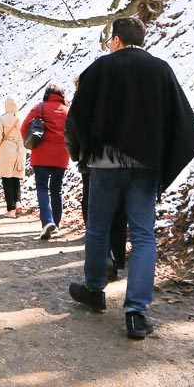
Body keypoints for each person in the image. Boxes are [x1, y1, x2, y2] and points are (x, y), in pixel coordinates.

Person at [67, 17, 194, 339]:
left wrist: (79, 154)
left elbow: (76, 118)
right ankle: (136, 313)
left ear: (115, 40)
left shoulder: (100, 68)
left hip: (104, 165)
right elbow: (183, 123)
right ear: (142, 40)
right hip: (145, 167)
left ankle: (94, 291)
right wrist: (161, 160)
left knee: (98, 229)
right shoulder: (161, 70)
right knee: (143, 236)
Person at [66, 75, 127, 280]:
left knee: (92, 210)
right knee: (117, 210)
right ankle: (117, 258)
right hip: (118, 161)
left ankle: (103, 256)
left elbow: (71, 130)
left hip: (90, 161)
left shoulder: (80, 100)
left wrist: (76, 154)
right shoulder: (113, 98)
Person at [23, 84, 71, 239]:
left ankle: (47, 222)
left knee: (42, 189)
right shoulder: (68, 110)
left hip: (41, 155)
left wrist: (30, 143)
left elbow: (24, 127)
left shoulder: (39, 108)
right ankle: (56, 225)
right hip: (61, 155)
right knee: (57, 190)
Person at [0, 98, 26, 218]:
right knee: (16, 177)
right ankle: (18, 202)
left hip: (6, 149)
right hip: (19, 149)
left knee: (7, 179)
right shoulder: (20, 118)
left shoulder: (2, 119)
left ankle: (10, 209)